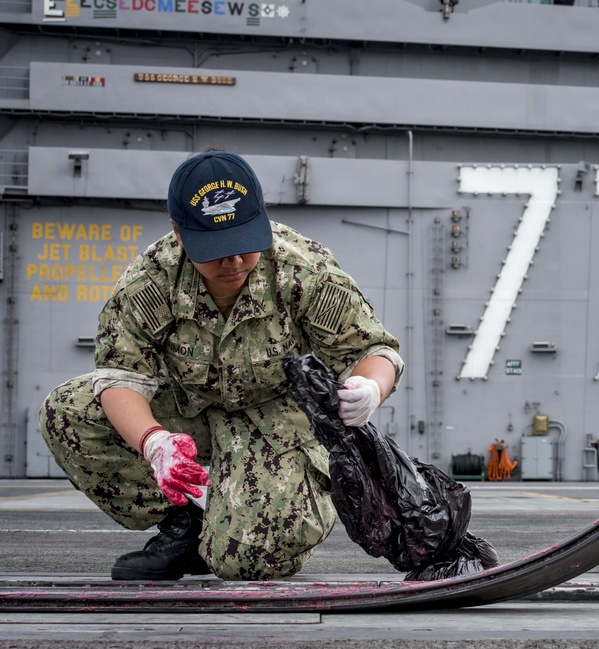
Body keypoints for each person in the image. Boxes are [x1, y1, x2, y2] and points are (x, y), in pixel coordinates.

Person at [39, 150, 403, 581]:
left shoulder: (303, 269)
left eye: (242, 245)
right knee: (68, 412)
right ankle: (181, 527)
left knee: (246, 563)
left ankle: (272, 507)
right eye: (215, 250)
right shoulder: (149, 282)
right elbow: (121, 377)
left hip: (275, 420)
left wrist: (371, 388)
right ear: (179, 232)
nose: (232, 262)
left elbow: (373, 350)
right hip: (185, 409)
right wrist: (154, 442)